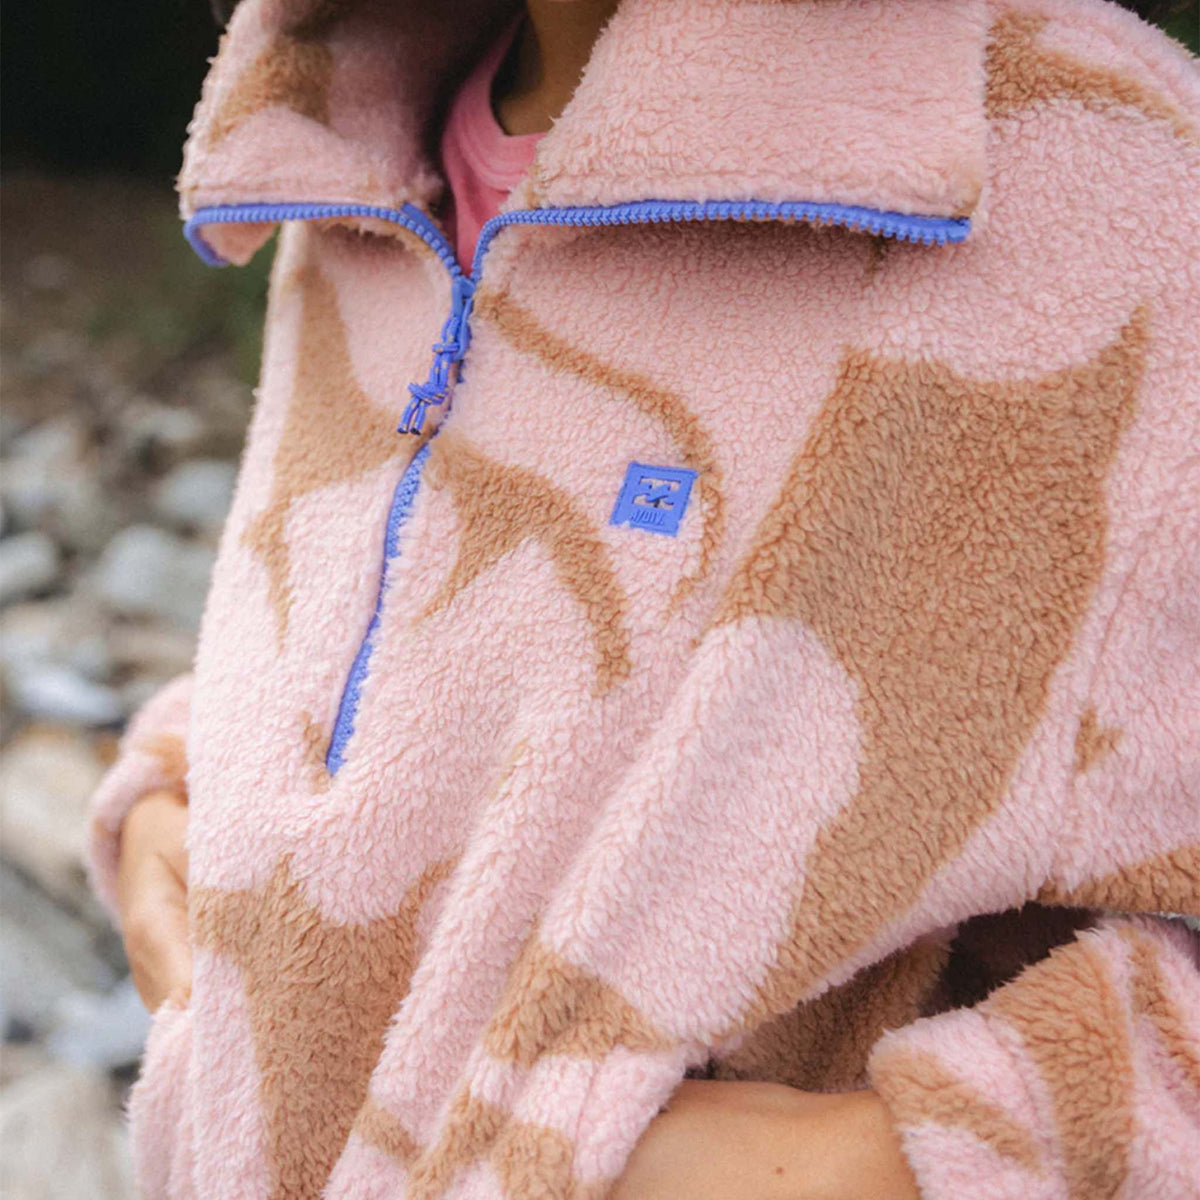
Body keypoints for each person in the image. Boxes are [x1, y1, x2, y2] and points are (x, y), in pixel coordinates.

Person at [90, 0, 1199, 1196]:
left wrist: (871, 1159)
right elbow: (445, 635)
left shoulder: (1109, 181)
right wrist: (183, 781)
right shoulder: (342, 141)